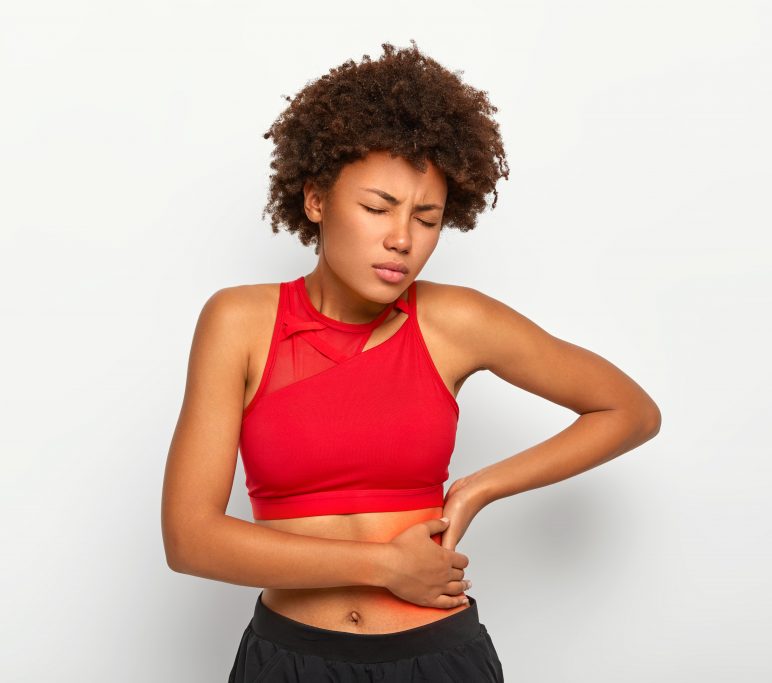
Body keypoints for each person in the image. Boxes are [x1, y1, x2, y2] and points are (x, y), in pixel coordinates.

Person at [161, 40, 661, 682]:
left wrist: (476, 489)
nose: (402, 238)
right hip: (288, 661)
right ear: (315, 200)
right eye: (376, 208)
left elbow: (629, 411)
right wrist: (383, 565)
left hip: (438, 658)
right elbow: (190, 539)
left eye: (427, 218)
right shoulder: (239, 322)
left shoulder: (456, 322)